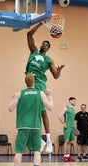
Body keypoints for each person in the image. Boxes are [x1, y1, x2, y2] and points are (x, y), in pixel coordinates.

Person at [25, 23, 65, 153]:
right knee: (30, 112)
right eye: (44, 43)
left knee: (42, 112)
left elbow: (56, 76)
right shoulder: (33, 51)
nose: (45, 45)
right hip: (30, 83)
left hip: (40, 84)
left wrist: (59, 71)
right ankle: (40, 139)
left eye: (47, 45)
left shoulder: (49, 60)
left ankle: (48, 140)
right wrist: (41, 23)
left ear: (48, 49)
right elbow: (29, 34)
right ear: (41, 45)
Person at [8, 73, 53, 166]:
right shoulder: (40, 93)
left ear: (25, 82)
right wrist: (50, 95)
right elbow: (50, 107)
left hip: (23, 126)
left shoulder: (20, 93)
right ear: (34, 82)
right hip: (36, 126)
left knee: (19, 151)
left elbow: (10, 108)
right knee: (37, 151)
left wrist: (14, 98)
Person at [58, 97, 79, 162]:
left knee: (70, 142)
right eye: (74, 101)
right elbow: (59, 116)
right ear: (70, 101)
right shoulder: (66, 108)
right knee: (66, 141)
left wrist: (76, 129)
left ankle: (68, 155)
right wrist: (63, 123)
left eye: (75, 101)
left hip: (72, 127)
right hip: (67, 127)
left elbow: (73, 120)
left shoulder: (73, 109)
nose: (75, 102)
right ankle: (64, 156)